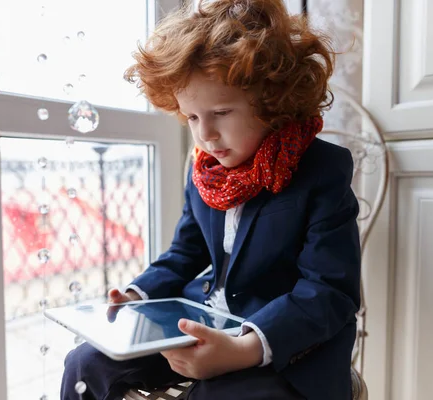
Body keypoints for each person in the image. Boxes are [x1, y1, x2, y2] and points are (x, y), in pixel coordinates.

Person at [61, 0, 361, 399]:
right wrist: (137, 295)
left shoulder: (322, 168)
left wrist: (243, 348)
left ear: (274, 101)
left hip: (284, 342)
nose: (206, 135)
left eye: (221, 112)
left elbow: (329, 292)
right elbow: (185, 253)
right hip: (204, 318)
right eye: (192, 117)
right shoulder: (204, 169)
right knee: (84, 363)